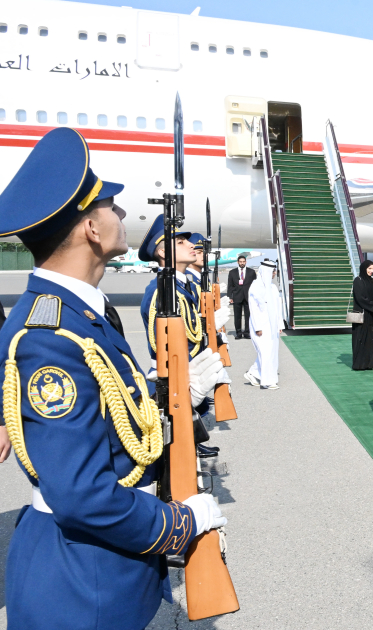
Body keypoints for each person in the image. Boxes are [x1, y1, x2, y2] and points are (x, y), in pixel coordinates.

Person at [0, 127, 226, 629]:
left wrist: (177, 397)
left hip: (110, 569)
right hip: (84, 586)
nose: (121, 212)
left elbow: (110, 406)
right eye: (109, 205)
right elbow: (81, 494)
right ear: (92, 230)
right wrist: (179, 523)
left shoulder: (82, 313)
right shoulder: (48, 338)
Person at [139, 214, 229, 460]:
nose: (191, 245)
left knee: (186, 451)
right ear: (163, 253)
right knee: (174, 456)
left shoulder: (180, 286)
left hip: (188, 373)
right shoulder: (162, 292)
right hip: (176, 378)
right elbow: (165, 345)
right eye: (180, 242)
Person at [246, 259, 285, 390]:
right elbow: (254, 309)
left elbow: (277, 308)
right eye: (272, 271)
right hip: (261, 326)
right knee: (265, 353)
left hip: (272, 326)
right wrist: (258, 327)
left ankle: (253, 373)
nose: (274, 273)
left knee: (271, 353)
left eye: (275, 271)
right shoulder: (255, 287)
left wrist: (279, 324)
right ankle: (268, 381)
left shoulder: (273, 288)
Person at [226, 254, 256, 339]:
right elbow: (230, 286)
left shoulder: (251, 272)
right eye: (240, 262)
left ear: (246, 262)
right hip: (237, 297)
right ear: (238, 262)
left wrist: (255, 297)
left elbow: (255, 285)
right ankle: (238, 333)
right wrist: (230, 297)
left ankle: (247, 332)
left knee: (248, 316)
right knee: (237, 316)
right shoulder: (232, 272)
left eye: (243, 262)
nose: (242, 263)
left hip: (248, 297)